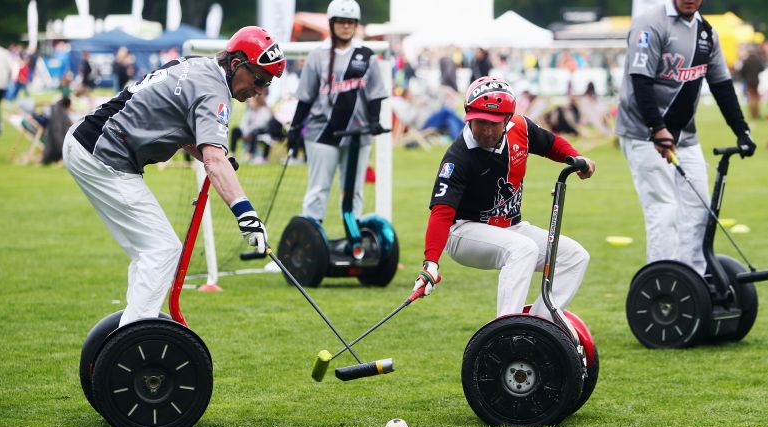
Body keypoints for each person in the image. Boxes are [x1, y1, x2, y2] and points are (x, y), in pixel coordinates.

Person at [62, 26, 286, 326]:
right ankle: (133, 338)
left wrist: (213, 156)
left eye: (266, 84)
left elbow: (179, 130)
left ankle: (129, 331)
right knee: (161, 249)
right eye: (258, 79)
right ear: (235, 63)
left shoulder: (195, 64)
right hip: (101, 154)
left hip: (89, 142)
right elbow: (214, 160)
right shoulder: (214, 92)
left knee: (151, 251)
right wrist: (246, 214)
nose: (259, 90)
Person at [412, 77, 595, 320]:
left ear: (508, 119)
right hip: (463, 232)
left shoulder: (520, 128)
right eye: (480, 122)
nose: (487, 131)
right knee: (523, 250)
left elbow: (549, 144)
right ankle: (506, 331)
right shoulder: (457, 158)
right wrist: (430, 264)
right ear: (468, 115)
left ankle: (538, 325)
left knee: (575, 257)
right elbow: (441, 212)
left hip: (511, 227)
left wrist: (575, 158)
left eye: (494, 124)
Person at [615, 0, 756, 275]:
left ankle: (693, 282)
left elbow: (722, 86)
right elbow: (640, 81)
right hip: (643, 133)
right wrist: (657, 128)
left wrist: (742, 131)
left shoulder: (706, 32)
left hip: (684, 135)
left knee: (698, 209)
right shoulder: (651, 23)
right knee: (664, 210)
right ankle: (664, 281)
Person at [288, 0, 388, 222]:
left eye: (350, 22)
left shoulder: (366, 55)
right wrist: (295, 128)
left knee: (353, 191)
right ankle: (312, 239)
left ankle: (354, 241)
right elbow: (305, 97)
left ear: (356, 24)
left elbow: (375, 94)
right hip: (321, 132)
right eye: (341, 22)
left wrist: (374, 120)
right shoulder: (317, 55)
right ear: (332, 24)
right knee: (318, 190)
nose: (345, 26)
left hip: (357, 135)